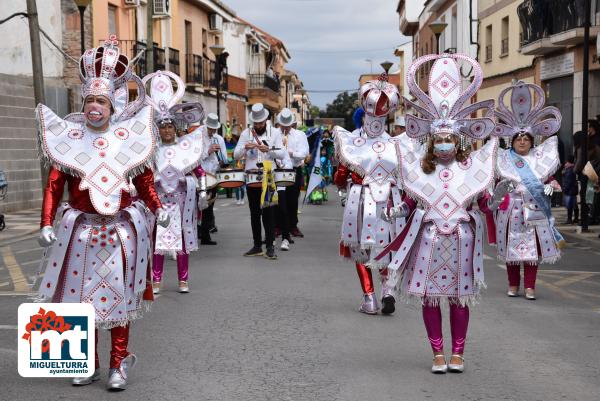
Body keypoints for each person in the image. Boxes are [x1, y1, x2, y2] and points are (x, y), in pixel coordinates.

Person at [35, 37, 170, 390]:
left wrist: (159, 208)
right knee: (81, 302)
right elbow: (54, 184)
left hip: (120, 233)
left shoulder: (128, 138)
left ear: (112, 106)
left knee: (118, 300)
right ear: (84, 103)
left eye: (101, 100)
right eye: (91, 100)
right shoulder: (70, 137)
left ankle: (117, 366)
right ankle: (88, 362)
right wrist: (46, 222)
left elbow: (145, 182)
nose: (95, 106)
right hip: (80, 233)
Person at [377, 53, 502, 373]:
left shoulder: (471, 168)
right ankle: (437, 355)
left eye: (449, 139)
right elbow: (409, 201)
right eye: (439, 139)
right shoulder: (419, 169)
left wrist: (494, 201)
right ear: (431, 142)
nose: (444, 144)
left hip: (461, 239)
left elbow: (483, 202)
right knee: (431, 299)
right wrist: (396, 211)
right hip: (429, 238)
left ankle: (457, 354)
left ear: (457, 140)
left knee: (459, 299)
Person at [333, 75, 404, 316]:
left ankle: (369, 298)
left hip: (360, 199)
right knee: (385, 247)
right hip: (389, 200)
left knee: (361, 250)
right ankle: (388, 292)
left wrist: (343, 182)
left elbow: (340, 176)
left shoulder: (352, 142)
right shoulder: (395, 144)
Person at [493, 81, 565, 300]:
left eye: (526, 139)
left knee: (532, 253)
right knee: (512, 253)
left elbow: (553, 184)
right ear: (512, 141)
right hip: (510, 210)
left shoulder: (540, 160)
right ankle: (513, 284)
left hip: (535, 211)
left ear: (532, 141)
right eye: (518, 138)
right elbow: (493, 186)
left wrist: (550, 188)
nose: (522, 141)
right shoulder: (503, 159)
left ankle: (531, 286)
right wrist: (497, 193)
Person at [142, 70, 207, 294]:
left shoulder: (185, 149)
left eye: (170, 127)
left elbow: (199, 170)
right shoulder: (151, 152)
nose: (167, 130)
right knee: (158, 241)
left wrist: (204, 191)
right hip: (159, 202)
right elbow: (141, 175)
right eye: (163, 127)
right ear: (158, 129)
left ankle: (183, 280)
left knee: (180, 241)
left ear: (175, 128)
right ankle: (156, 280)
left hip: (181, 201)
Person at [234, 103, 285, 259]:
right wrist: (245, 148)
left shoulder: (275, 133)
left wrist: (269, 150)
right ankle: (257, 245)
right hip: (251, 178)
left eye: (260, 123)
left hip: (268, 177)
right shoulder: (245, 133)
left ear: (266, 120)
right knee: (254, 214)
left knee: (268, 213)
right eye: (255, 123)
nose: (258, 126)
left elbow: (282, 154)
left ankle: (270, 246)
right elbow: (236, 155)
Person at [276, 108, 309, 244]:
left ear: (292, 124)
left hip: (294, 169)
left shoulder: (300, 135)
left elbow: (304, 153)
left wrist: (290, 153)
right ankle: (278, 226)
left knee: (292, 199)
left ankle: (292, 225)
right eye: (283, 125)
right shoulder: (275, 134)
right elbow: (271, 150)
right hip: (279, 170)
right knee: (278, 199)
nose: (285, 127)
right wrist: (278, 159)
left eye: (287, 125)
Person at [199, 113, 228, 244]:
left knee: (209, 206)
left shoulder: (219, 139)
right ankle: (199, 232)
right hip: (201, 175)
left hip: (213, 176)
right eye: (210, 128)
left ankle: (205, 235)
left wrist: (222, 161)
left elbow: (224, 158)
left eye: (214, 129)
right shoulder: (199, 138)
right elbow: (196, 158)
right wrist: (208, 151)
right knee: (200, 205)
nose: (212, 131)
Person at [562, 155, 579, 224]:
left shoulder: (569, 169)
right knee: (574, 205)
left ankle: (569, 219)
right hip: (573, 190)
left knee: (570, 205)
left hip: (570, 191)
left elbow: (568, 181)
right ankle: (576, 218)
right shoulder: (573, 168)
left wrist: (565, 189)